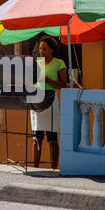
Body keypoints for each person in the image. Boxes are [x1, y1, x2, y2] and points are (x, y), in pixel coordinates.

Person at [30, 36, 67, 169]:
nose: (41, 51)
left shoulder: (59, 63)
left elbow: (63, 85)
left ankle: (53, 167)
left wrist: (48, 80)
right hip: (36, 100)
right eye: (40, 49)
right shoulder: (36, 63)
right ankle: (35, 167)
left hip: (51, 100)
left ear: (52, 50)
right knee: (36, 137)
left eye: (44, 49)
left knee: (52, 138)